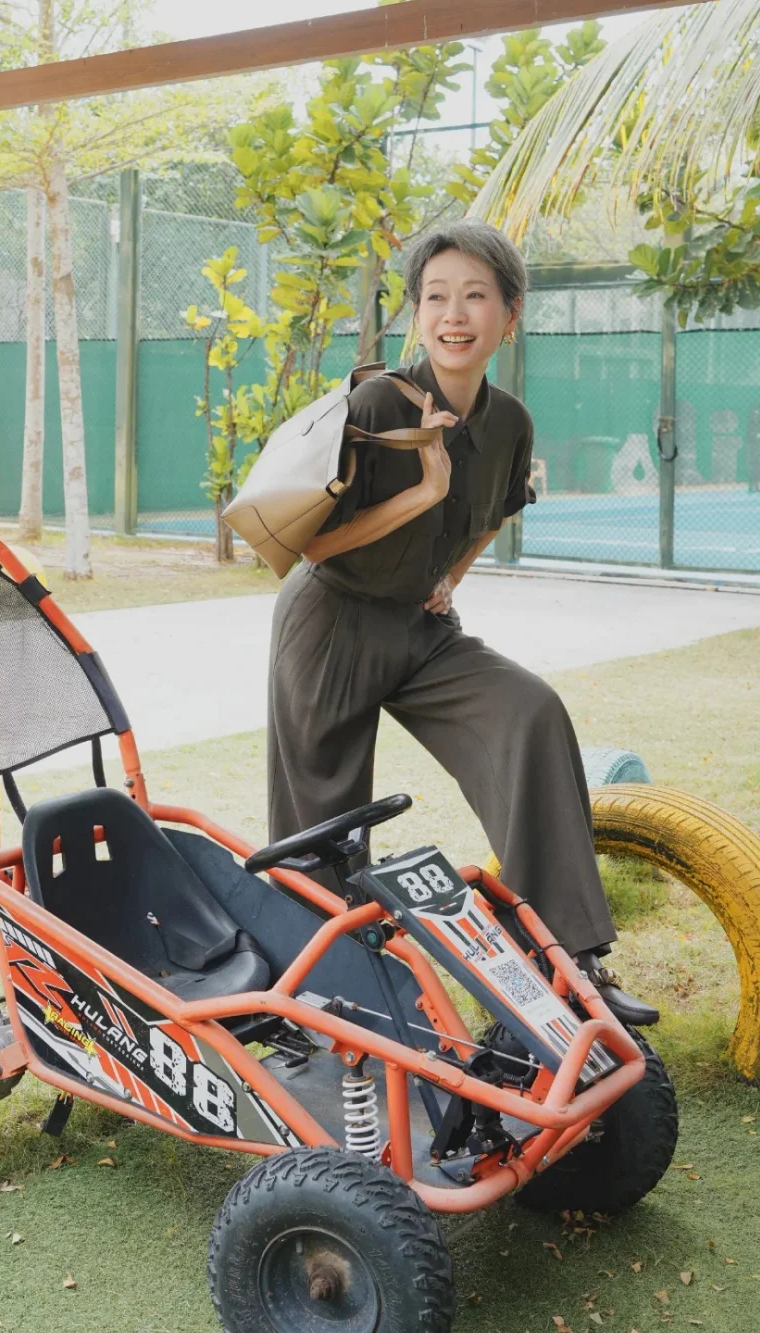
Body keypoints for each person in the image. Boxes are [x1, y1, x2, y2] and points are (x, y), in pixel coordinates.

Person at [266, 219, 656, 1026]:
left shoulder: (510, 421)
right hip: (330, 624)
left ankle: (568, 962)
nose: (454, 314)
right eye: (436, 296)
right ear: (416, 314)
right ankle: (330, 999)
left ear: (509, 316)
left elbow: (497, 510)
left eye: (475, 296)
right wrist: (421, 490)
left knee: (528, 712)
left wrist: (447, 580)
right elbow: (308, 544)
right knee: (323, 828)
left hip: (420, 629)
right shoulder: (377, 403)